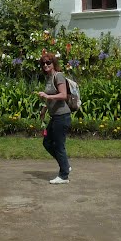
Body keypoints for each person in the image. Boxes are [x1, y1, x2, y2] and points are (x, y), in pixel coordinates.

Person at [36, 52, 71, 184]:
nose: (45, 65)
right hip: (55, 116)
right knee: (47, 142)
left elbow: (63, 95)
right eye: (43, 63)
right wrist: (44, 109)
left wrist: (47, 96)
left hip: (62, 116)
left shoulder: (59, 76)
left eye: (48, 62)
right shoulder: (49, 78)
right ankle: (65, 165)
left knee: (59, 146)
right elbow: (50, 97)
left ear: (53, 63)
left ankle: (64, 175)